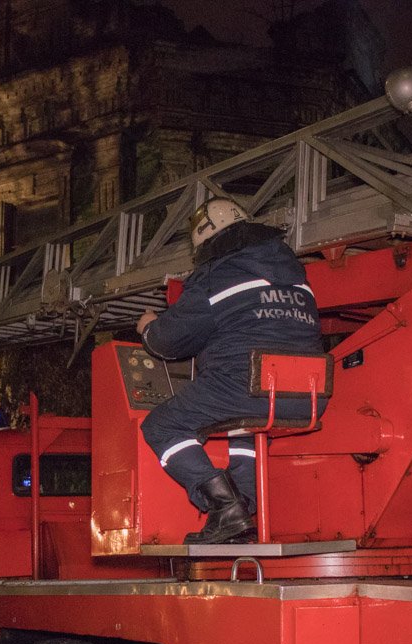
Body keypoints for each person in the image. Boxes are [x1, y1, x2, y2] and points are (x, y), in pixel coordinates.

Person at [137, 197, 326, 544]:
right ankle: (242, 515)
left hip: (244, 386)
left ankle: (224, 507)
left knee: (161, 425)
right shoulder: (296, 273)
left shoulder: (216, 275)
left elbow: (167, 342)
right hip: (307, 395)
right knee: (245, 432)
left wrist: (148, 327)